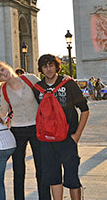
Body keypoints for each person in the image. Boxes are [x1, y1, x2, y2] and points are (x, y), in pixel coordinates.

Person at [0, 61, 51, 200]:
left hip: (37, 128)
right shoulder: (4, 90)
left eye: (2, 70)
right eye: (0, 75)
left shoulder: (30, 79)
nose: (3, 74)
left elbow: (46, 91)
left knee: (41, 169)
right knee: (18, 170)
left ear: (7, 67)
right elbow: (3, 112)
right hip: (17, 131)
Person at [33, 54, 89, 200]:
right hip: (47, 140)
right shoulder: (37, 88)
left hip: (67, 139)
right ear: (41, 69)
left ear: (57, 66)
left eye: (51, 65)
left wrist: (77, 136)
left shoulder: (68, 84)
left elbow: (85, 109)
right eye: (45, 66)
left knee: (72, 178)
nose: (48, 69)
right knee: (53, 177)